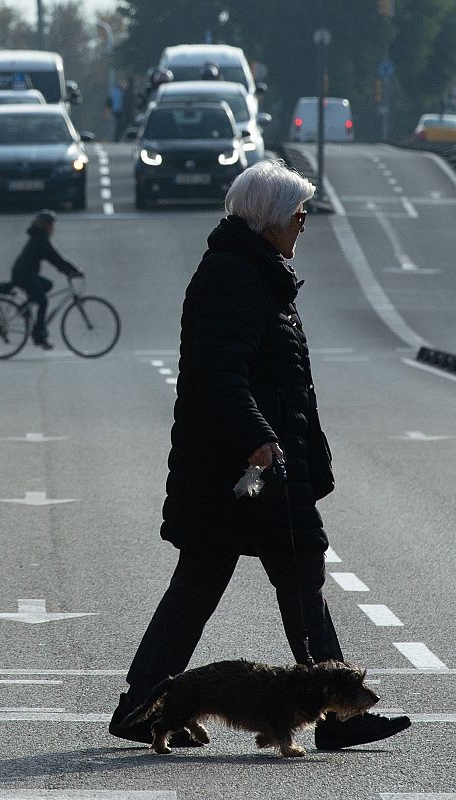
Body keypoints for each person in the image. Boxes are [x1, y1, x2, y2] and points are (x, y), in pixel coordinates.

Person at [109, 160, 411, 751]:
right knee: (239, 583)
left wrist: (309, 454)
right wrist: (257, 437)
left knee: (285, 583)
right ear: (270, 220)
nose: (303, 226)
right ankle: (147, 706)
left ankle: (149, 707)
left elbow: (282, 379)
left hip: (257, 465)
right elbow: (217, 371)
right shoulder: (235, 278)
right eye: (298, 216)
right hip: (243, 469)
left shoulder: (258, 272)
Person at [8, 210, 80, 350]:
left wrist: (68, 270)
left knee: (47, 285)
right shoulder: (40, 240)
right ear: (45, 226)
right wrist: (72, 270)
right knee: (43, 301)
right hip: (24, 275)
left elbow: (54, 258)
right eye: (51, 225)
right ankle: (39, 335)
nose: (53, 228)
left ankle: (25, 307)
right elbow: (55, 258)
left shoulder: (39, 237)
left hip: (25, 274)